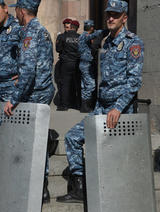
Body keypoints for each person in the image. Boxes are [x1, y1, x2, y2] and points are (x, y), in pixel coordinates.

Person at [57, 0, 144, 203]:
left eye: (116, 14)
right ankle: (79, 188)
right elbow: (85, 39)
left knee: (117, 154)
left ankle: (122, 195)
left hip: (120, 111)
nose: (111, 18)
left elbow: (135, 81)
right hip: (101, 107)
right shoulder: (106, 38)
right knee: (72, 137)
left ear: (125, 17)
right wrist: (98, 32)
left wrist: (118, 107)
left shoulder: (133, 42)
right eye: (108, 15)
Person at [3, 0, 55, 203]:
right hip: (42, 90)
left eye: (17, 9)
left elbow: (28, 69)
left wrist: (13, 99)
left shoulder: (30, 33)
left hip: (35, 94)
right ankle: (39, 188)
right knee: (38, 141)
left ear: (22, 11)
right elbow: (41, 64)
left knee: (34, 143)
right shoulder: (42, 30)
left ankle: (39, 189)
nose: (16, 13)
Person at [78, 20, 107, 112]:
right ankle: (86, 105)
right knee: (90, 85)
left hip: (83, 63)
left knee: (85, 85)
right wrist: (104, 31)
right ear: (91, 27)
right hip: (86, 64)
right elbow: (93, 35)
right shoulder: (85, 35)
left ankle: (84, 106)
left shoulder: (82, 35)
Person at [56, 20, 81, 111]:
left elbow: (58, 49)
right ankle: (77, 104)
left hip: (66, 63)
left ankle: (64, 105)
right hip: (77, 63)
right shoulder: (80, 37)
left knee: (65, 84)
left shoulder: (62, 36)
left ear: (70, 27)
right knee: (77, 84)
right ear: (77, 28)